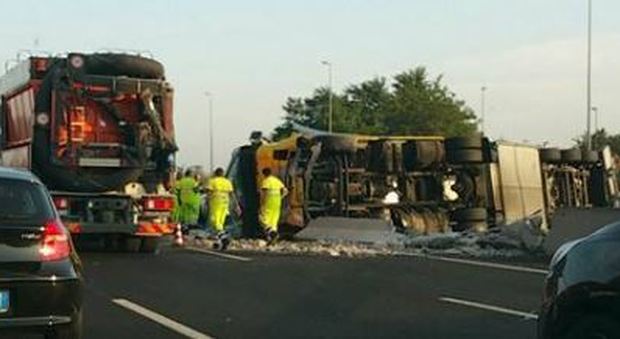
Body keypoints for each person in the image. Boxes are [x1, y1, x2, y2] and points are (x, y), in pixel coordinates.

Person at [206, 168, 234, 250]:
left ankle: (224, 238)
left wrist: (207, 202)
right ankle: (218, 243)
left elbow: (209, 192)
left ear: (215, 173)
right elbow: (232, 194)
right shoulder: (227, 182)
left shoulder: (213, 181)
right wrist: (236, 206)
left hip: (216, 202)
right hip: (225, 202)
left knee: (215, 221)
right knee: (221, 223)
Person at [259, 168, 288, 243]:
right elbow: (286, 191)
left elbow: (264, 194)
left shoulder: (266, 181)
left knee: (264, 218)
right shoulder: (276, 180)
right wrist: (281, 197)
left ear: (264, 174)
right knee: (274, 219)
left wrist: (262, 203)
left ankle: (270, 232)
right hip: (277, 202)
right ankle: (273, 236)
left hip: (268, 202)